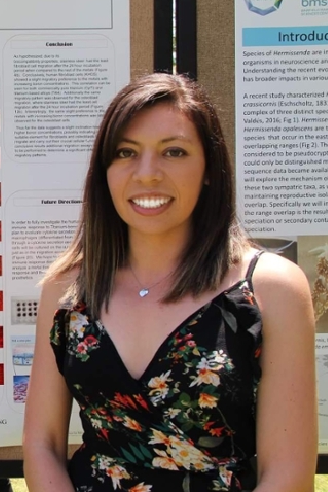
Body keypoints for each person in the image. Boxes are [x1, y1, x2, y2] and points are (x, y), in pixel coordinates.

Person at [23, 73, 317, 492]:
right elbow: (42, 443)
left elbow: (287, 473)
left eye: (173, 151)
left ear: (210, 169)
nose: (147, 174)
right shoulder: (69, 290)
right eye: (126, 152)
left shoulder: (270, 289)